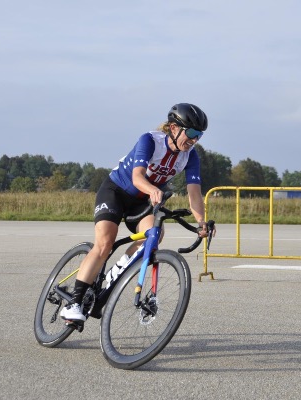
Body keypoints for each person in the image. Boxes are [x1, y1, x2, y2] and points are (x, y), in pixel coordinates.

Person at [61, 102, 214, 322]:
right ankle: (74, 304)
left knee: (154, 235)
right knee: (105, 243)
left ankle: (116, 272)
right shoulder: (150, 140)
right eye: (190, 133)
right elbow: (137, 177)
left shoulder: (190, 155)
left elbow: (194, 193)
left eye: (199, 135)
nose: (194, 140)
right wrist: (153, 190)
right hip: (115, 191)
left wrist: (201, 221)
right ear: (173, 128)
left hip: (141, 201)